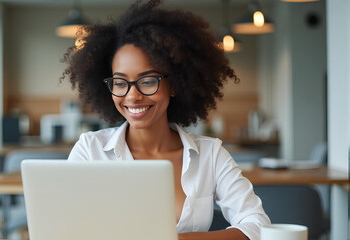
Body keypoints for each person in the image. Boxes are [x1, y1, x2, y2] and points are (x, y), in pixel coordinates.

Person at [62, 0, 270, 239]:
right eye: (120, 83)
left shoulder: (210, 155)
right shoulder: (90, 151)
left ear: (174, 85)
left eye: (148, 80)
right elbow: (67, 228)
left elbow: (257, 224)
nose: (133, 96)